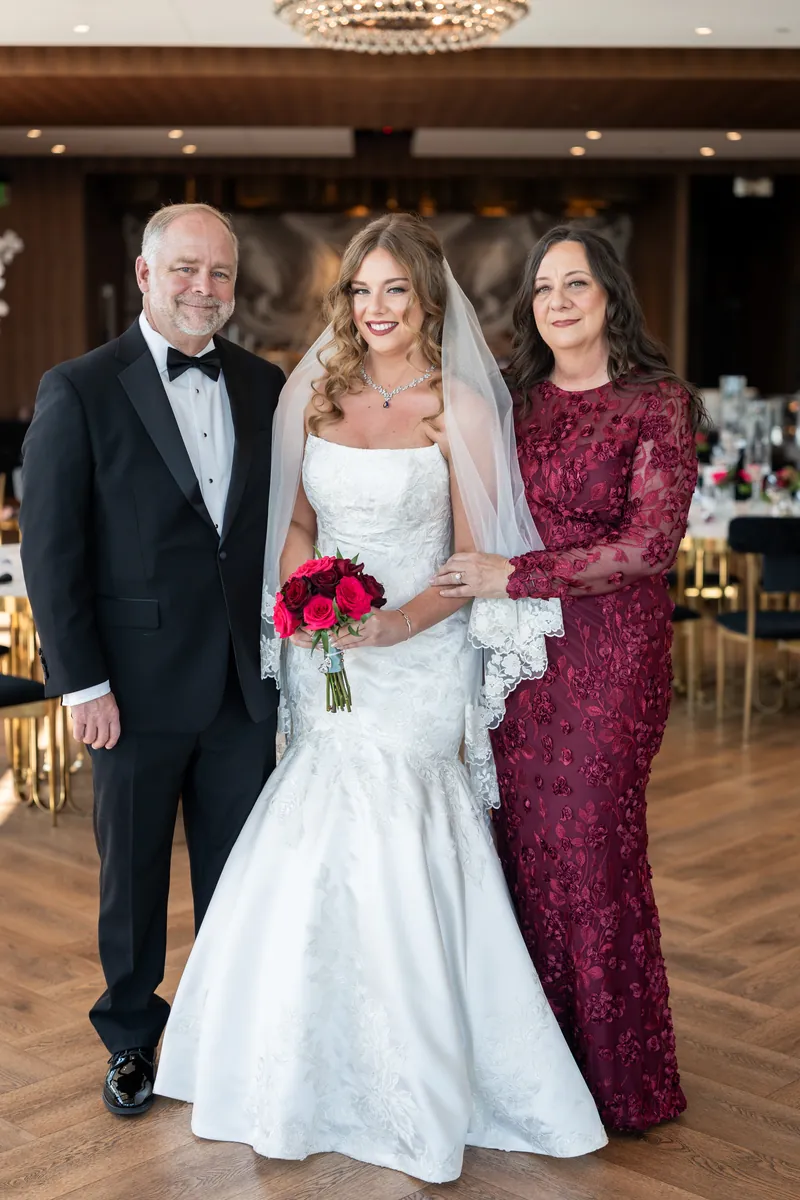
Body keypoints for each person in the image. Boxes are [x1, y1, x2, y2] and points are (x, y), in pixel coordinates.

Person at [154, 214, 607, 1182]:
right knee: (316, 827)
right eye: (361, 291)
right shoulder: (312, 399)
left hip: (420, 657)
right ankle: (298, 1064)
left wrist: (395, 625)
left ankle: (425, 1072)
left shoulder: (460, 412)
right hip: (331, 662)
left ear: (425, 300)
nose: (375, 309)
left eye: (395, 290)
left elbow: (479, 559)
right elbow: (295, 523)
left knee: (401, 831)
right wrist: (310, 601)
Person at [20, 203, 284, 1116]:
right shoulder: (79, 387)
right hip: (126, 692)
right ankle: (132, 1038)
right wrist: (82, 681)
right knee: (130, 878)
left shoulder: (265, 384)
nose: (202, 289)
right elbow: (52, 553)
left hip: (245, 690)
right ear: (144, 274)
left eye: (218, 274)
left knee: (237, 878)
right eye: (184, 271)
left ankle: (219, 1034)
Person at [434, 226, 701, 1131]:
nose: (556, 301)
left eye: (575, 283)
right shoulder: (514, 399)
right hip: (519, 661)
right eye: (543, 288)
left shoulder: (656, 403)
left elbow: (648, 546)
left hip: (611, 657)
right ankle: (539, 1074)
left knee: (595, 848)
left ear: (609, 296)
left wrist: (517, 576)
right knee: (521, 850)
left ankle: (623, 1081)